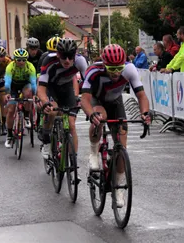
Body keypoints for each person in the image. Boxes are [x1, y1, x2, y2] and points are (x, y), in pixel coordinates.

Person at [81, 44, 151, 207]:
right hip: (97, 100)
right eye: (111, 68)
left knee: (121, 148)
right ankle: (93, 152)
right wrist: (91, 114)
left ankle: (119, 187)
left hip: (115, 102)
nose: (115, 73)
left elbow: (141, 96)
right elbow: (84, 99)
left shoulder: (130, 69)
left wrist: (145, 113)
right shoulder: (93, 71)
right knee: (100, 116)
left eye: (118, 68)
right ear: (104, 64)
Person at [37, 38, 87, 159]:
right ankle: (47, 140)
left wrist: (83, 100)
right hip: (51, 87)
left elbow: (89, 85)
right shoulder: (48, 61)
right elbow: (41, 88)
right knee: (52, 111)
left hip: (66, 87)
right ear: (58, 54)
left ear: (75, 55)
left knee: (71, 125)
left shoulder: (80, 61)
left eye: (70, 57)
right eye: (64, 57)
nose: (67, 60)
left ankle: (73, 162)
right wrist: (44, 102)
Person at [4, 48, 37, 148]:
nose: (21, 62)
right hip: (13, 86)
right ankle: (9, 135)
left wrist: (35, 95)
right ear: (14, 60)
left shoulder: (30, 67)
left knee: (28, 94)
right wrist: (7, 93)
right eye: (19, 60)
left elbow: (33, 83)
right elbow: (7, 82)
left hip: (25, 84)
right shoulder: (10, 67)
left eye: (23, 60)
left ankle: (26, 116)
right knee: (11, 110)